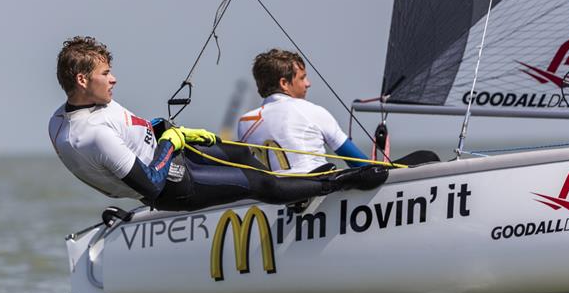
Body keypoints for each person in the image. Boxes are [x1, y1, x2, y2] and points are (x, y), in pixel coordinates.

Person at [48, 37, 387, 213]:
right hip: (174, 186)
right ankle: (340, 181)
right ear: (82, 79)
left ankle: (294, 187)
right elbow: (150, 185)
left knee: (242, 154)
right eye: (105, 74)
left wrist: (161, 128)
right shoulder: (90, 136)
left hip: (175, 155)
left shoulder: (64, 118)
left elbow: (129, 134)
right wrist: (172, 143)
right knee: (259, 183)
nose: (114, 79)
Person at [238, 49, 369, 174]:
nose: (308, 83)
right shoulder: (312, 111)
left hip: (271, 196)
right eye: (302, 78)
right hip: (315, 192)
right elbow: (361, 164)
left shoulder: (245, 122)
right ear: (284, 83)